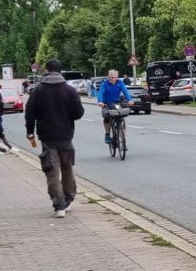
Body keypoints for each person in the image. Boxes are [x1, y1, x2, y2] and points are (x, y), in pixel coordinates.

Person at [25, 59, 85, 218]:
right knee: (67, 168)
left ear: (46, 70)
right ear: (60, 71)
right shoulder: (69, 90)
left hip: (47, 136)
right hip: (66, 136)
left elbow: (29, 113)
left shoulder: (38, 90)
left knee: (51, 169)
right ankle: (68, 198)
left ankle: (59, 205)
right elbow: (79, 113)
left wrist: (30, 131)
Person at [97, 69, 134, 144]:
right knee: (106, 118)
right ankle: (107, 134)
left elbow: (125, 91)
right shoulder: (105, 83)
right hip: (106, 103)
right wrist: (100, 101)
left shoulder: (120, 82)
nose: (113, 79)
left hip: (116, 102)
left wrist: (130, 100)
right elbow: (101, 92)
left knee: (120, 115)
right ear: (109, 77)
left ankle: (122, 136)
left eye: (114, 77)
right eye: (111, 77)